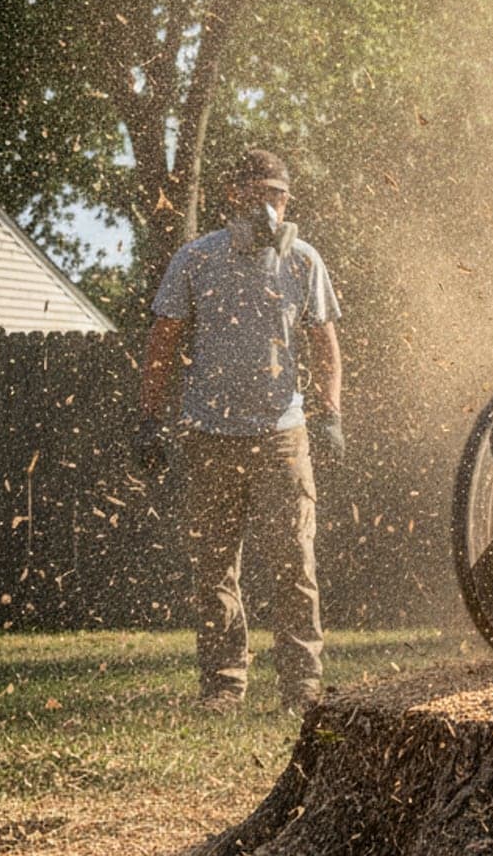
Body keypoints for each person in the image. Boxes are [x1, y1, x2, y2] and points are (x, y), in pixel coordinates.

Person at [139, 149, 343, 713]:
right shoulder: (197, 259)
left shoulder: (303, 261)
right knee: (214, 567)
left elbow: (325, 344)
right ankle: (224, 686)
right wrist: (149, 418)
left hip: (283, 434)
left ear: (287, 200)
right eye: (259, 195)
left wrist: (331, 413)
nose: (270, 207)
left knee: (295, 562)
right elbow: (163, 340)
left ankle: (302, 688)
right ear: (235, 196)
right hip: (209, 434)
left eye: (278, 196)